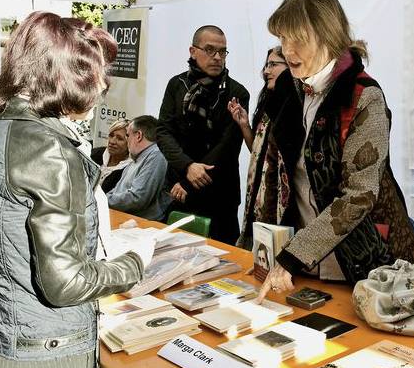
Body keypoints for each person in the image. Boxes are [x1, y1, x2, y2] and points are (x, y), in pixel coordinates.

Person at [0, 11, 154, 368]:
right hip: (46, 359)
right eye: (96, 76)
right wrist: (134, 264)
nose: (102, 88)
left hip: (1, 344)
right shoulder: (47, 150)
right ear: (69, 76)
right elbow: (64, 282)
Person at [256, 0, 414, 301]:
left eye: (297, 40)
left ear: (326, 35)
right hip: (304, 264)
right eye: (282, 39)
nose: (286, 51)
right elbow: (276, 174)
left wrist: (294, 254)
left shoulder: (364, 97)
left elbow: (359, 196)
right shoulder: (290, 91)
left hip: (363, 266)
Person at [157, 25, 250, 244]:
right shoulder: (177, 85)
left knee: (225, 262)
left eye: (222, 52)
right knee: (177, 256)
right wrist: (187, 167)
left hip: (219, 192)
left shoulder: (236, 92)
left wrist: (191, 181)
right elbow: (163, 131)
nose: (217, 57)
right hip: (179, 187)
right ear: (193, 51)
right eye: (210, 50)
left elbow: (228, 145)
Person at [229, 47, 288, 248]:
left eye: (273, 65)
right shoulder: (267, 104)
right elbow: (257, 153)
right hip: (259, 198)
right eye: (266, 64)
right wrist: (244, 125)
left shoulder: (292, 105)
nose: (266, 71)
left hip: (280, 204)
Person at [107, 115, 172, 221]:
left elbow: (137, 199)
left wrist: (102, 200)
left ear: (138, 136)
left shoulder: (156, 156)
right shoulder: (136, 159)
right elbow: (116, 191)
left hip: (141, 227)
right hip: (124, 220)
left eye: (128, 135)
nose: (127, 140)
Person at [91, 119, 132, 192]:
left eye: (120, 139)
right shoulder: (94, 154)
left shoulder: (130, 170)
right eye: (111, 135)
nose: (112, 141)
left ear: (130, 142)